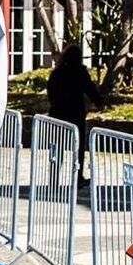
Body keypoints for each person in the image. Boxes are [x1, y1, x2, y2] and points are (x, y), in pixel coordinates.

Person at [47, 44, 102, 188]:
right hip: (75, 115)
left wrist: (54, 105)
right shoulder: (80, 72)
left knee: (56, 149)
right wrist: (99, 102)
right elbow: (90, 89)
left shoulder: (56, 73)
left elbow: (50, 93)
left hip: (58, 115)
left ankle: (53, 180)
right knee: (78, 148)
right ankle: (78, 178)